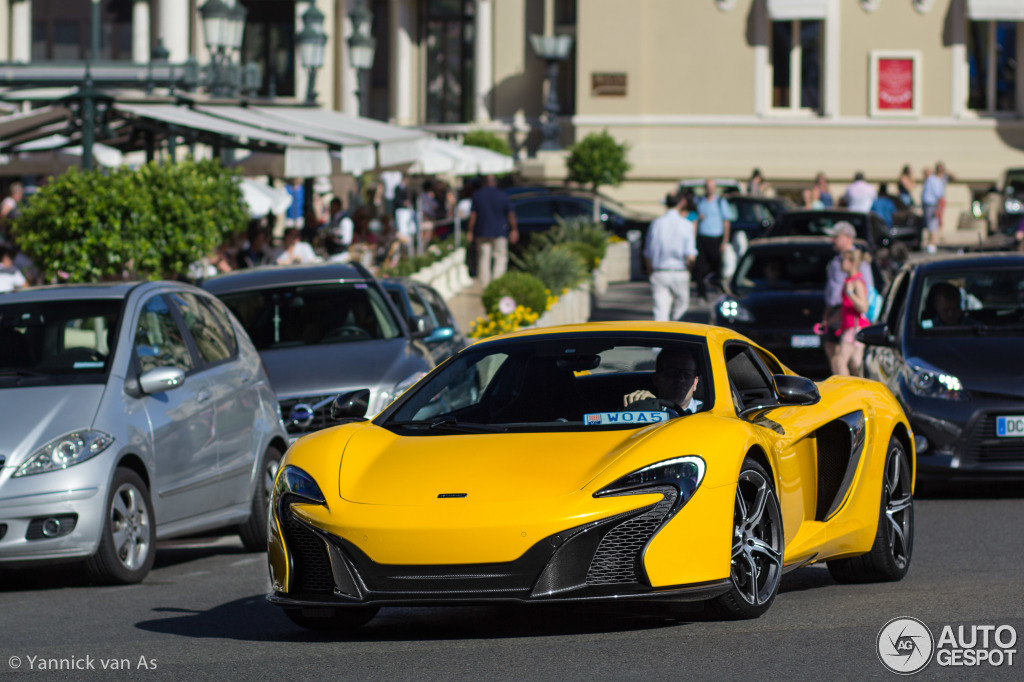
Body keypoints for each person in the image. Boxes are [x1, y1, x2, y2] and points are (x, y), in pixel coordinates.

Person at [822, 222, 874, 369]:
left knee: (845, 360)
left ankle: (847, 388)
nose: (832, 240)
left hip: (852, 318)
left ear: (847, 237)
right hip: (840, 312)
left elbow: (867, 292)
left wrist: (851, 294)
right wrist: (827, 314)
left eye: (836, 236)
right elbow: (831, 289)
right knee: (836, 354)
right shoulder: (836, 261)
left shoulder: (857, 262)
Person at [644, 191, 698, 322]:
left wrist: (649, 271)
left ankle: (661, 339)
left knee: (660, 313)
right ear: (680, 204)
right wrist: (689, 270)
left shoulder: (656, 224)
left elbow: (648, 253)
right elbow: (690, 255)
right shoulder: (686, 224)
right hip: (680, 270)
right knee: (681, 310)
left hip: (660, 271)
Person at [467, 175, 519, 287]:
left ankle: (485, 285)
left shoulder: (477, 195)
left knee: (483, 258)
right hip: (500, 231)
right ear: (495, 182)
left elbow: (473, 216)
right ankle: (497, 283)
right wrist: (514, 229)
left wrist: (470, 231)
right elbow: (511, 214)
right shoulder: (502, 195)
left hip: (482, 231)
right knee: (500, 257)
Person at [622, 347, 703, 415]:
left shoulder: (708, 413)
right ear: (656, 379)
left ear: (695, 382)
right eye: (673, 372)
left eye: (687, 374)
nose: (681, 379)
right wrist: (640, 406)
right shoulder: (645, 409)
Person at [831, 248, 870, 377]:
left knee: (840, 361)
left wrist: (850, 294)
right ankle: (858, 390)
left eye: (843, 260)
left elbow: (863, 307)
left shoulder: (857, 283)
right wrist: (829, 321)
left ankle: (846, 390)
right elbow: (845, 308)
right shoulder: (849, 280)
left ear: (852, 263)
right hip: (849, 326)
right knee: (855, 365)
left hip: (854, 328)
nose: (841, 263)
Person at [694, 179, 732, 299]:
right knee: (699, 267)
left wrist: (725, 240)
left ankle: (719, 291)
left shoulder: (720, 201)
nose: (709, 189)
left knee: (717, 267)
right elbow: (692, 219)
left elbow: (726, 222)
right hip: (702, 237)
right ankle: (702, 293)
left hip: (716, 237)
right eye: (707, 186)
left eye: (712, 186)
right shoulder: (699, 201)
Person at [921, 162, 952, 253]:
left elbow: (939, 196)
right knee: (929, 224)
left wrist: (938, 208)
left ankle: (932, 243)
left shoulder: (936, 180)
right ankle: (930, 242)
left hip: (932, 204)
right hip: (927, 204)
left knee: (932, 224)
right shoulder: (930, 179)